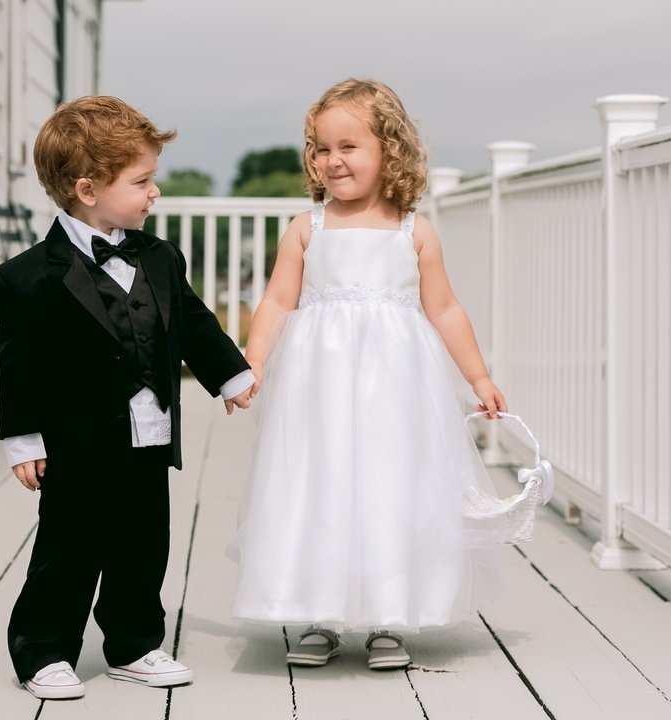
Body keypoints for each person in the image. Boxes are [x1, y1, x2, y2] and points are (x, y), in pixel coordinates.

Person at [226, 78, 511, 671]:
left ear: (391, 150)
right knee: (318, 483)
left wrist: (479, 377)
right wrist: (249, 363)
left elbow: (445, 309)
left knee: (390, 486)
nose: (332, 161)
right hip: (318, 387)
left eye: (348, 146)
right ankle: (319, 613)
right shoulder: (309, 228)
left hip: (395, 388)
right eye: (321, 148)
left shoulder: (415, 231)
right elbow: (278, 301)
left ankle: (387, 613)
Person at [0, 95, 254, 700]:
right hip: (76, 440)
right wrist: (23, 439)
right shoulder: (26, 278)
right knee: (70, 546)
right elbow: (19, 365)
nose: (153, 192)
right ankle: (44, 647)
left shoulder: (160, 257)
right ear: (88, 188)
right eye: (142, 181)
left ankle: (134, 644)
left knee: (142, 543)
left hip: (149, 428)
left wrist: (230, 375)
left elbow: (192, 321)